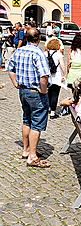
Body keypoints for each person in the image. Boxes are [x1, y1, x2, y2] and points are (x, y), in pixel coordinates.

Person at [7, 28, 51, 167]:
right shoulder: (38, 53)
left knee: (27, 119)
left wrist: (15, 83)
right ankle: (32, 156)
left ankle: (26, 150)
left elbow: (10, 68)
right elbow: (44, 75)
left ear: (26, 38)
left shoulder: (19, 51)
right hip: (35, 91)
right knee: (36, 124)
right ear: (38, 39)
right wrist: (43, 91)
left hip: (24, 91)